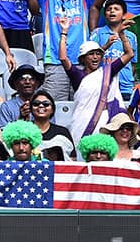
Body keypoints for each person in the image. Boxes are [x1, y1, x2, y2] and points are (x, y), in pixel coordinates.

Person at [57, 13, 134, 144]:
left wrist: (122, 35)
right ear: (83, 58)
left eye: (98, 54)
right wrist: (64, 32)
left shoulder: (107, 72)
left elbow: (129, 54)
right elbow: (63, 58)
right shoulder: (77, 74)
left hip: (104, 122)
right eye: (91, 54)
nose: (95, 57)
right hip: (81, 122)